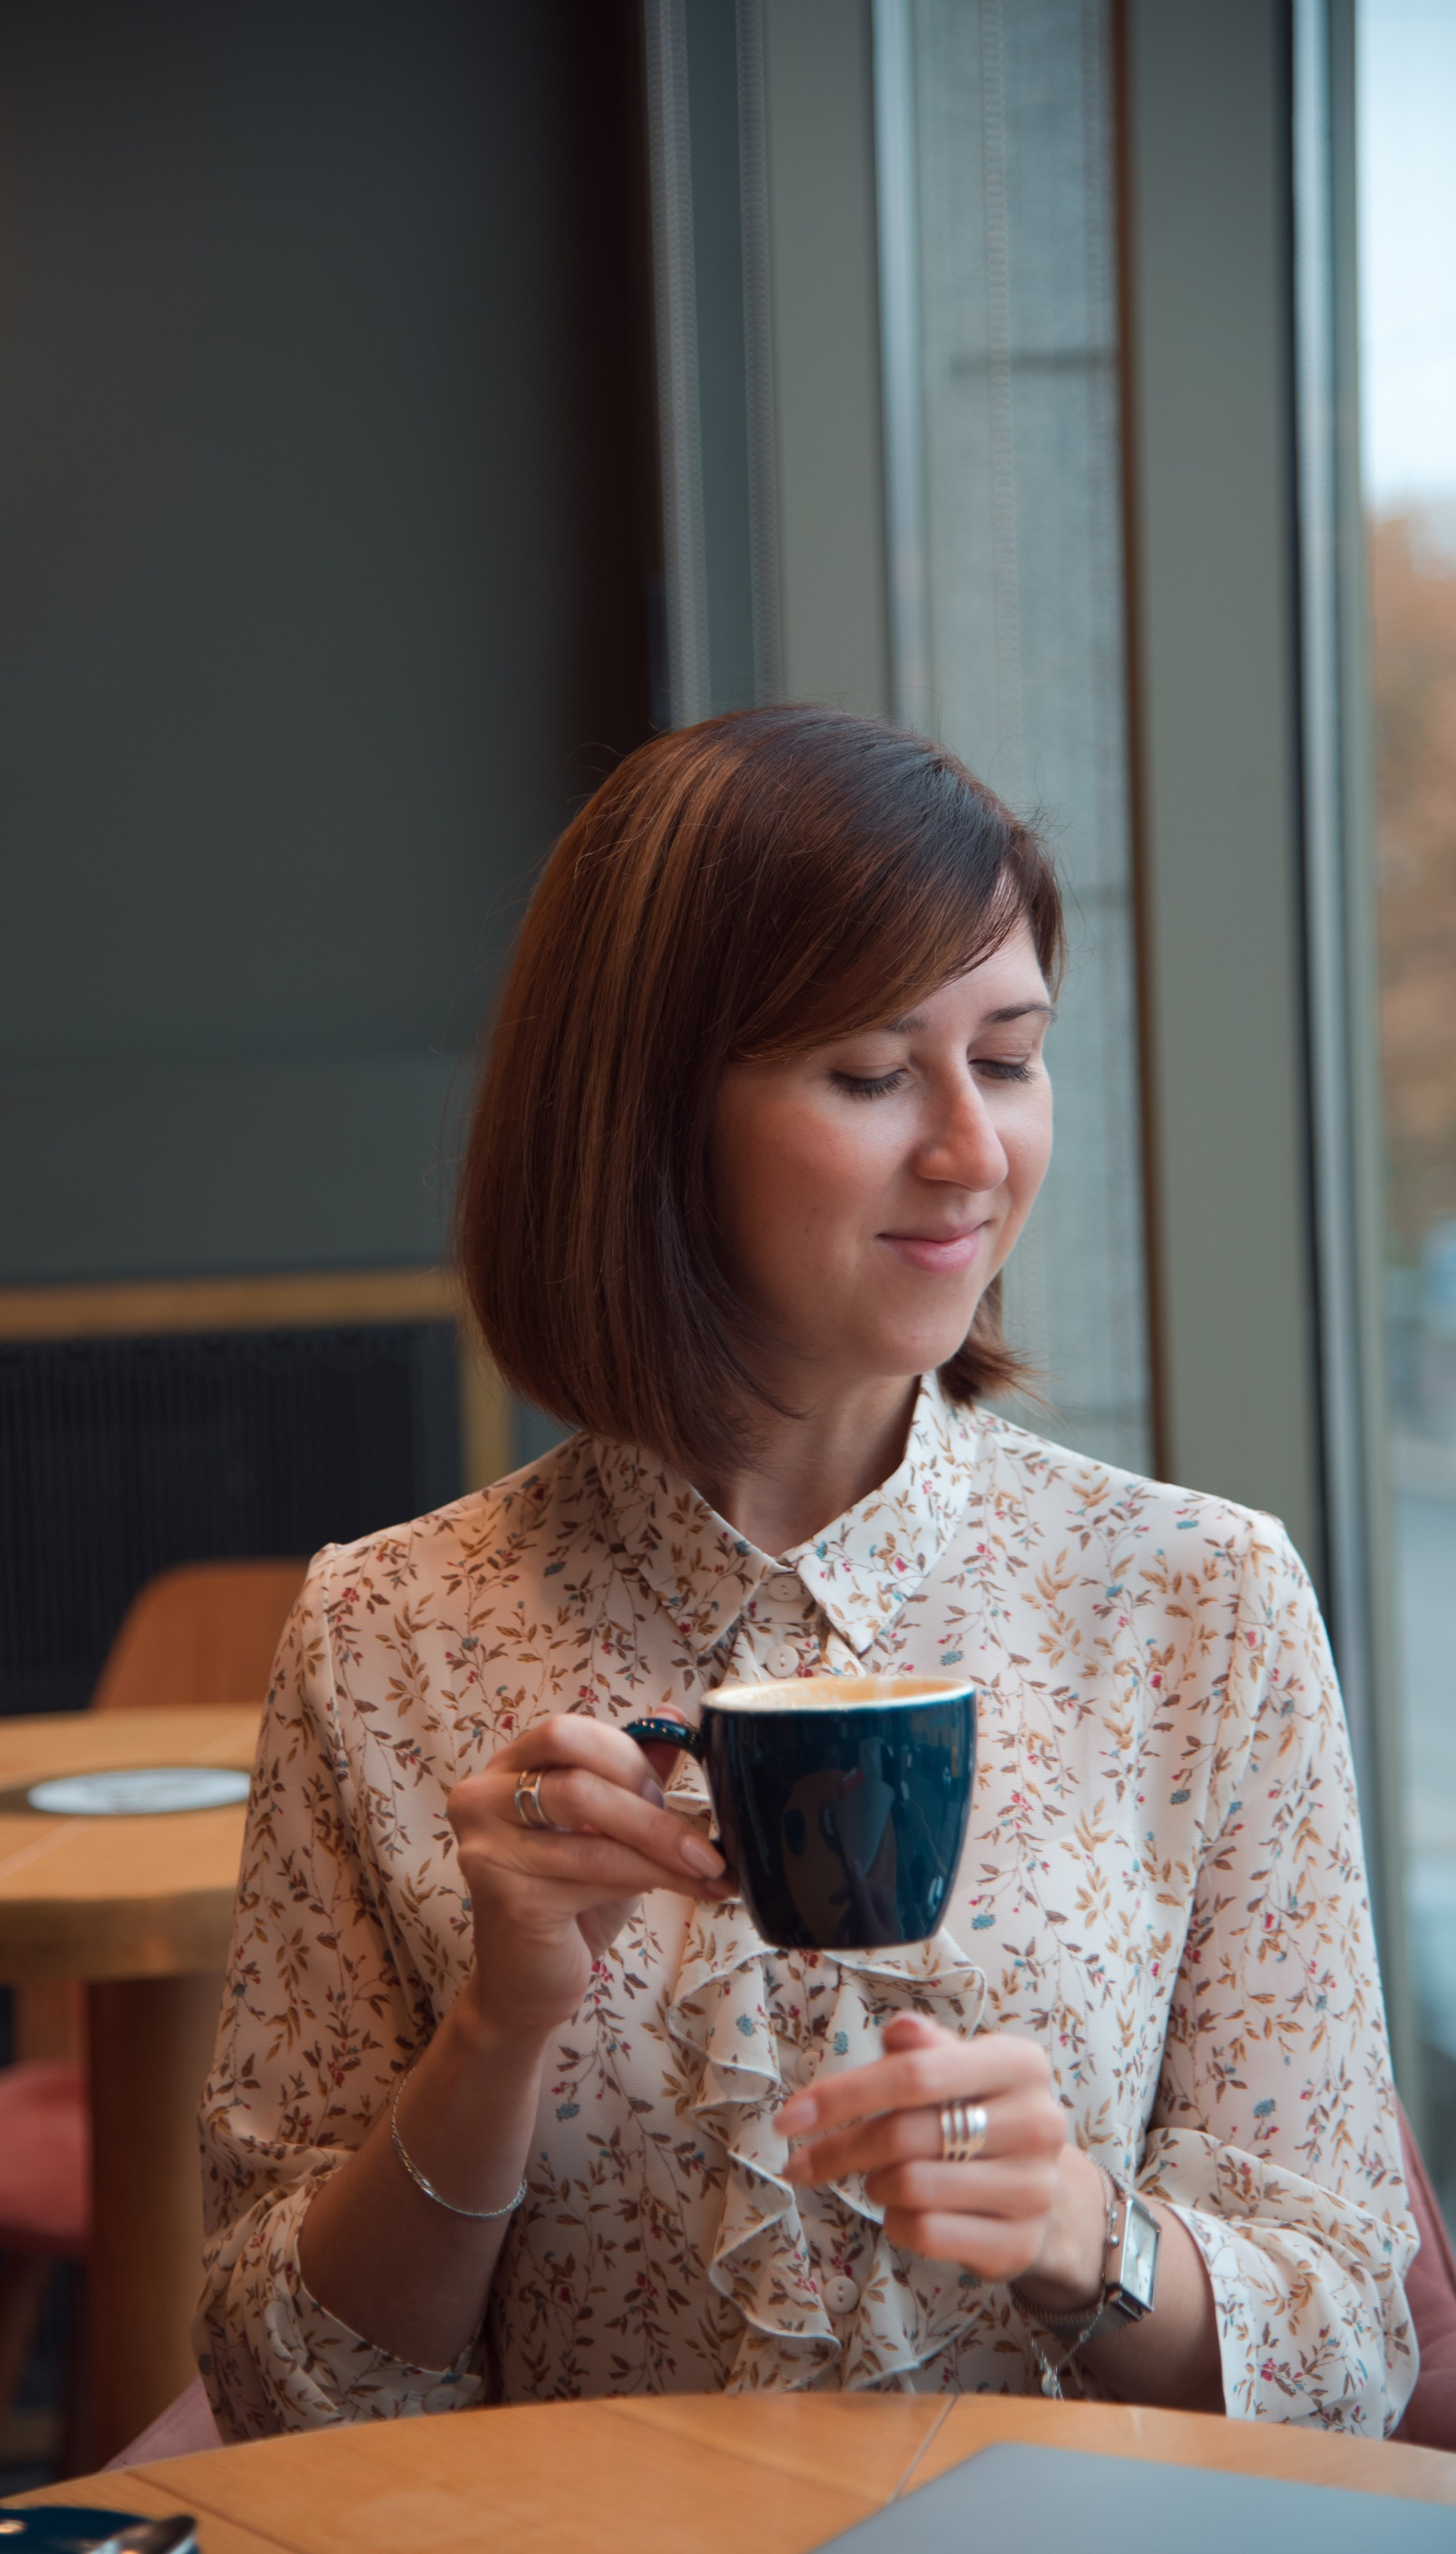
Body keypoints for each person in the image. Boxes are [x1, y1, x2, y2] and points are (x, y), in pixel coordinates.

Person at [196, 706, 1416, 2435]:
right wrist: (498, 2028)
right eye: (869, 1073)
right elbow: (284, 2388)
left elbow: (1357, 2332)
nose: (974, 1152)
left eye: (1008, 1056)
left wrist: (1087, 2237)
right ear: (643, 1118)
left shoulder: (1200, 1605)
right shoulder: (385, 1635)